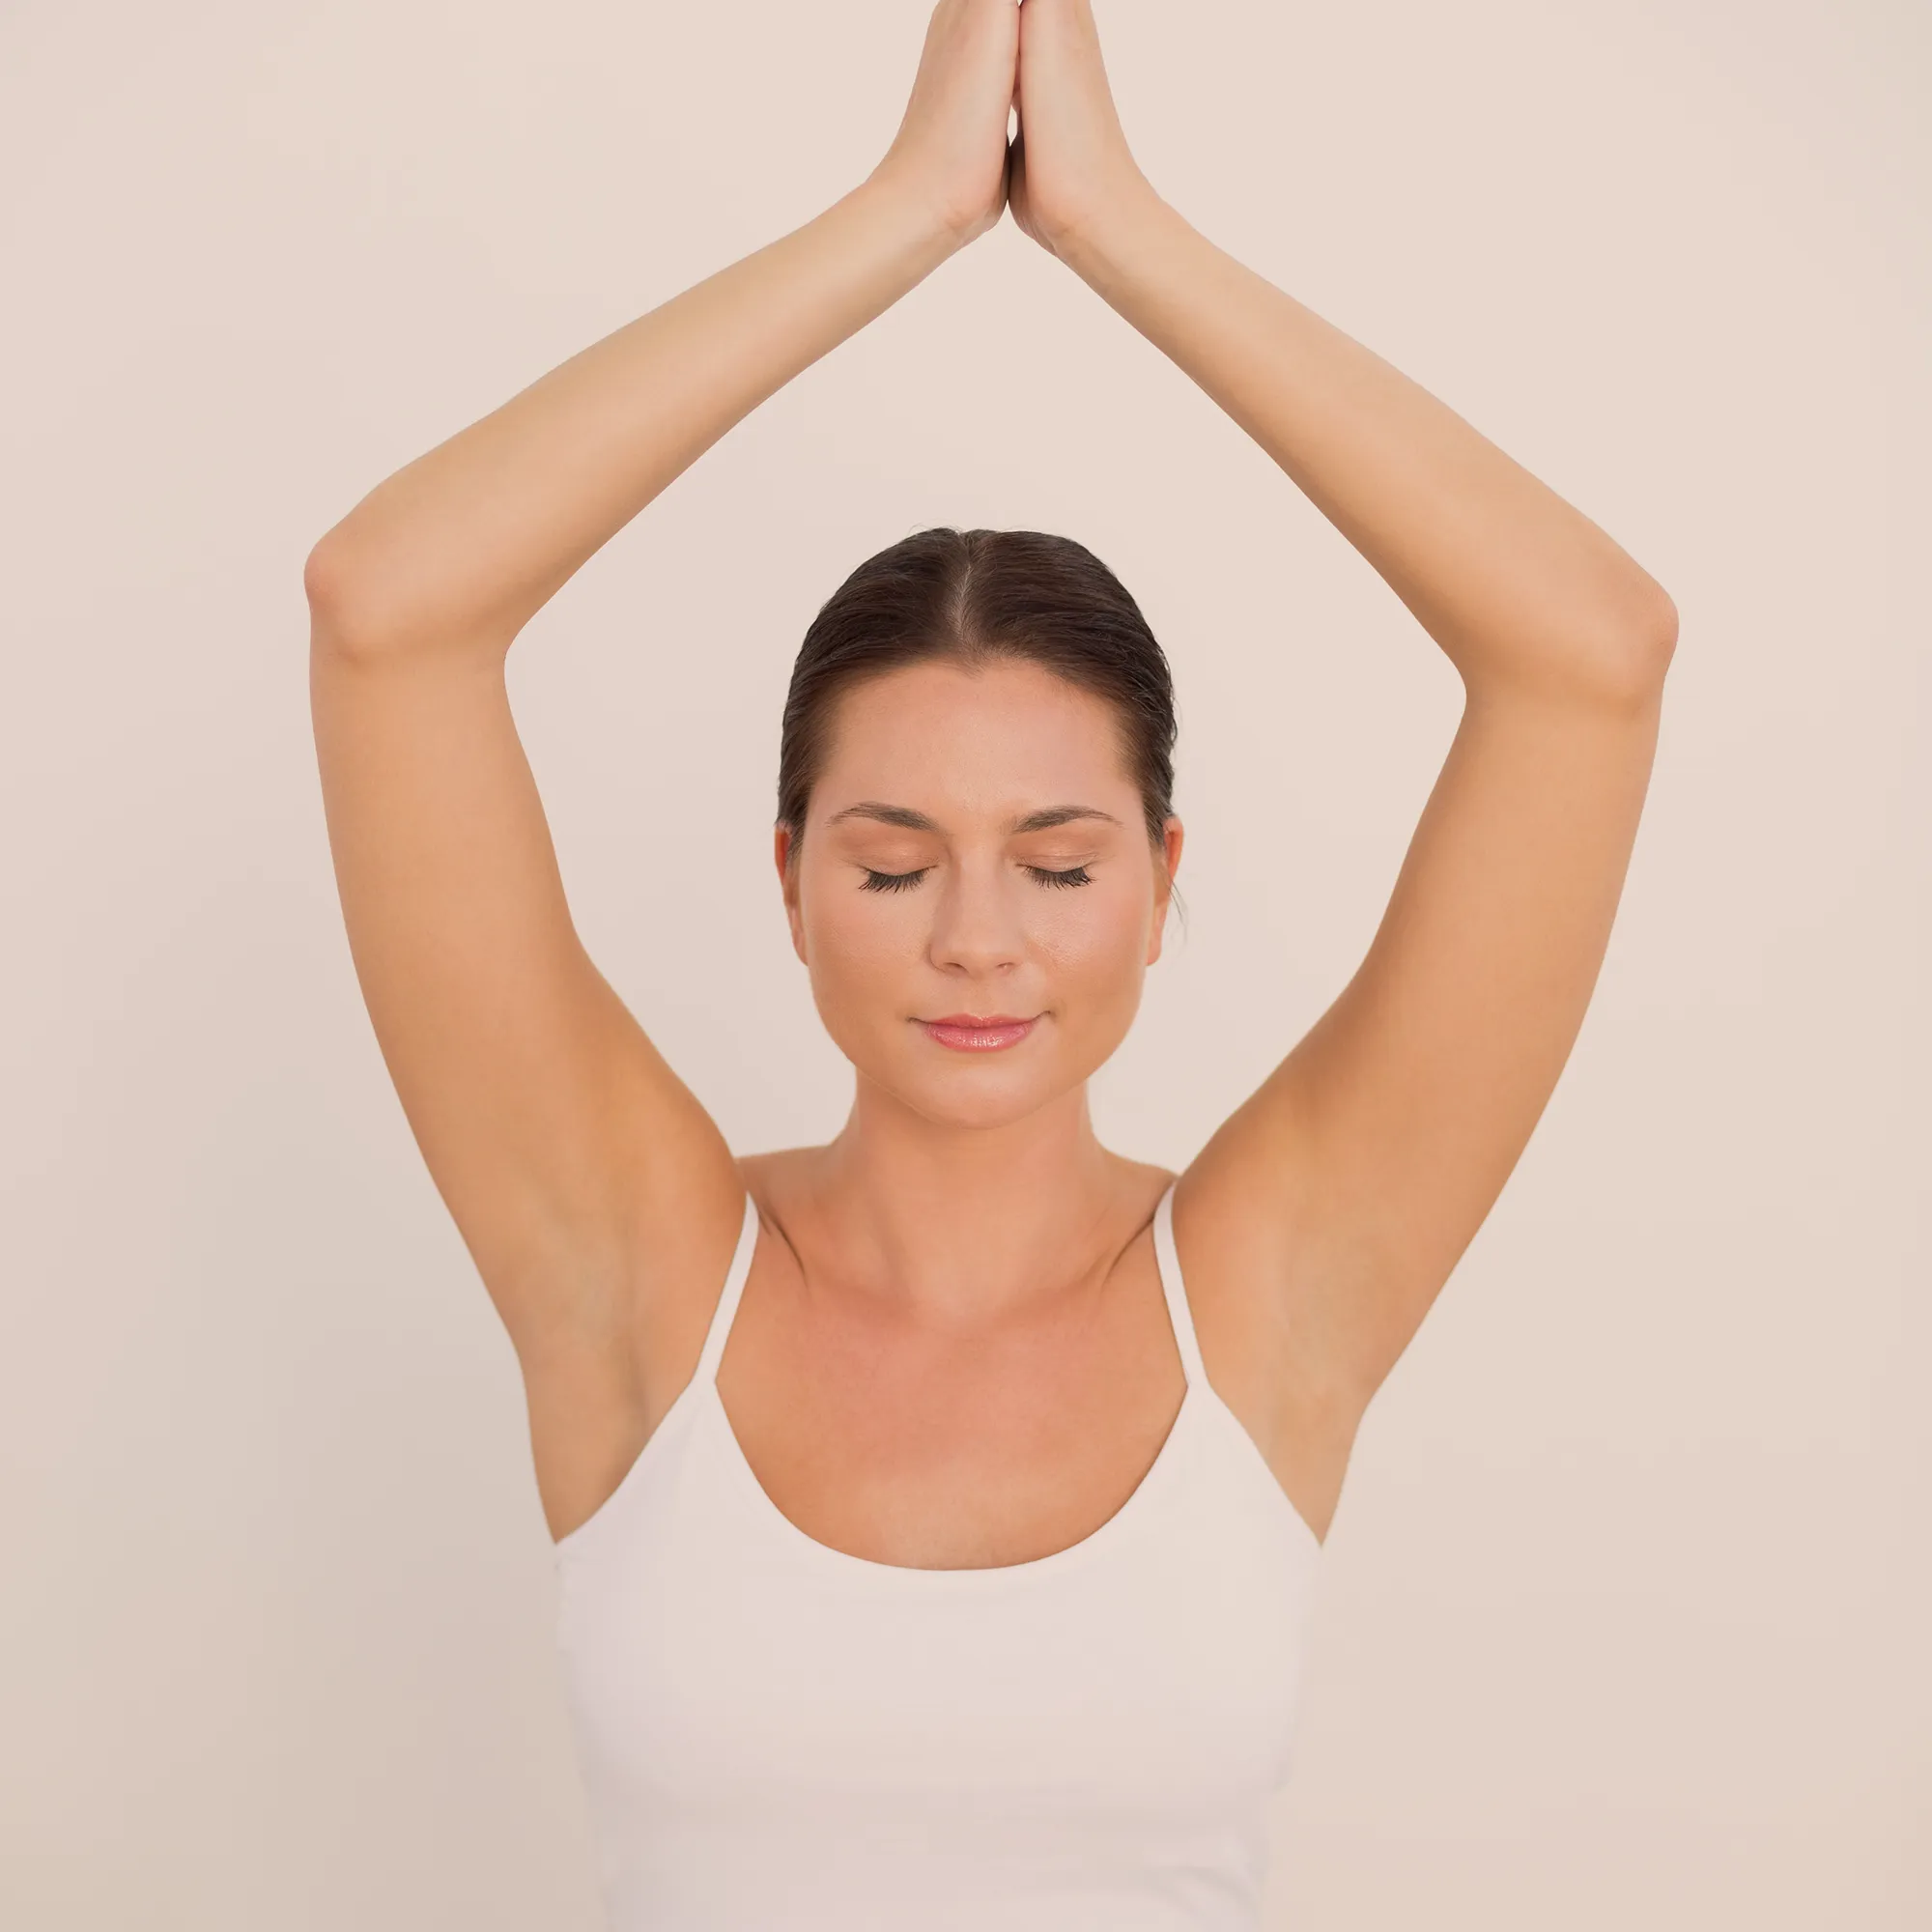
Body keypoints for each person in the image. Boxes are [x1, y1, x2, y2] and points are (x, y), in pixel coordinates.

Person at [303, 1, 1677, 1924]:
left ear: (1159, 873)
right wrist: (910, 211)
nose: (976, 938)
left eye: (1055, 860)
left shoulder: (1269, 1290)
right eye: (890, 862)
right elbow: (386, 613)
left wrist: (1112, 224)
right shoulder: (638, 1276)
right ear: (787, 877)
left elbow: (1591, 660)